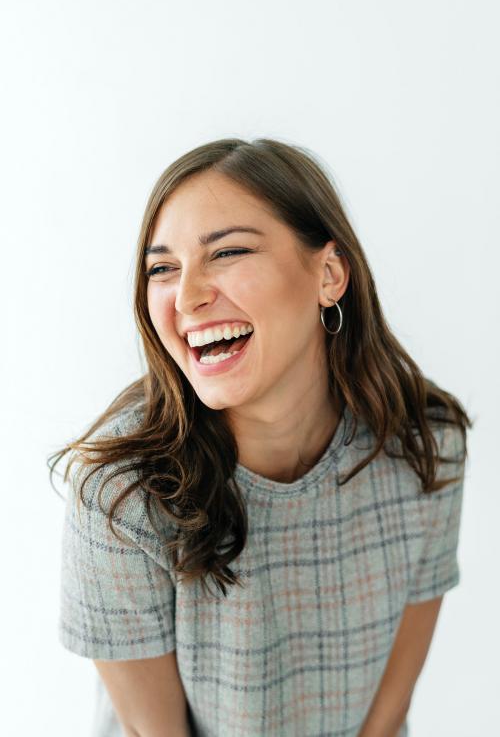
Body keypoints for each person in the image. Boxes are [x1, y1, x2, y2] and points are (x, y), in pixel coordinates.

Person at [49, 137, 472, 737]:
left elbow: (387, 717)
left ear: (328, 274)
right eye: (163, 268)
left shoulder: (426, 447)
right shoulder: (120, 495)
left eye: (227, 253)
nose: (188, 295)